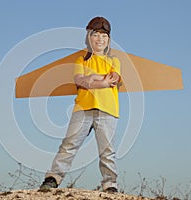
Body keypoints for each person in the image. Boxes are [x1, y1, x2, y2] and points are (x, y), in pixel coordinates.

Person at [39, 16, 122, 193]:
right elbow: (80, 80)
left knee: (107, 149)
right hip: (83, 108)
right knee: (69, 144)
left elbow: (113, 79)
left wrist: (92, 79)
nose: (100, 39)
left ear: (108, 40)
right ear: (89, 37)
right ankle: (53, 177)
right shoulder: (81, 60)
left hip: (108, 109)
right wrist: (99, 80)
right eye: (96, 34)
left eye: (104, 35)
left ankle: (110, 184)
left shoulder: (115, 61)